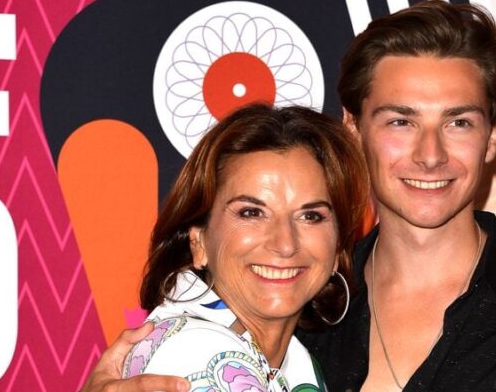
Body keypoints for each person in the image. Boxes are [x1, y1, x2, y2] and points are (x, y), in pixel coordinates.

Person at [83, 0, 496, 391]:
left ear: (493, 136)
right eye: (401, 121)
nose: (430, 154)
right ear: (353, 129)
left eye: (458, 122)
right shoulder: (299, 306)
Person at [82, 104, 368, 391]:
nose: (285, 244)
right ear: (198, 241)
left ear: (337, 248)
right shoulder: (200, 356)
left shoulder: (296, 363)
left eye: (311, 216)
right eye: (251, 213)